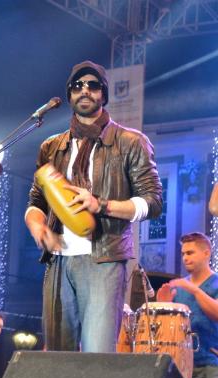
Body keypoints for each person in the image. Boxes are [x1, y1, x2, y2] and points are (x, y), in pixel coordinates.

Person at [25, 60, 163, 352]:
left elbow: (152, 202)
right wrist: (38, 227)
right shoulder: (52, 147)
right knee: (57, 359)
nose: (84, 90)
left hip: (104, 259)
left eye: (93, 85)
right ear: (69, 94)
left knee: (97, 354)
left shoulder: (130, 142)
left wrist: (101, 205)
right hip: (58, 261)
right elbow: (36, 201)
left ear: (104, 94)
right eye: (77, 86)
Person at [157, 232, 218, 378]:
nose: (185, 258)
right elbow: (167, 329)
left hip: (209, 365)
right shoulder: (179, 286)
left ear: (206, 253)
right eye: (183, 253)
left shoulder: (215, 283)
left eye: (190, 253)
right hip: (179, 367)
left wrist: (194, 290)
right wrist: (164, 305)